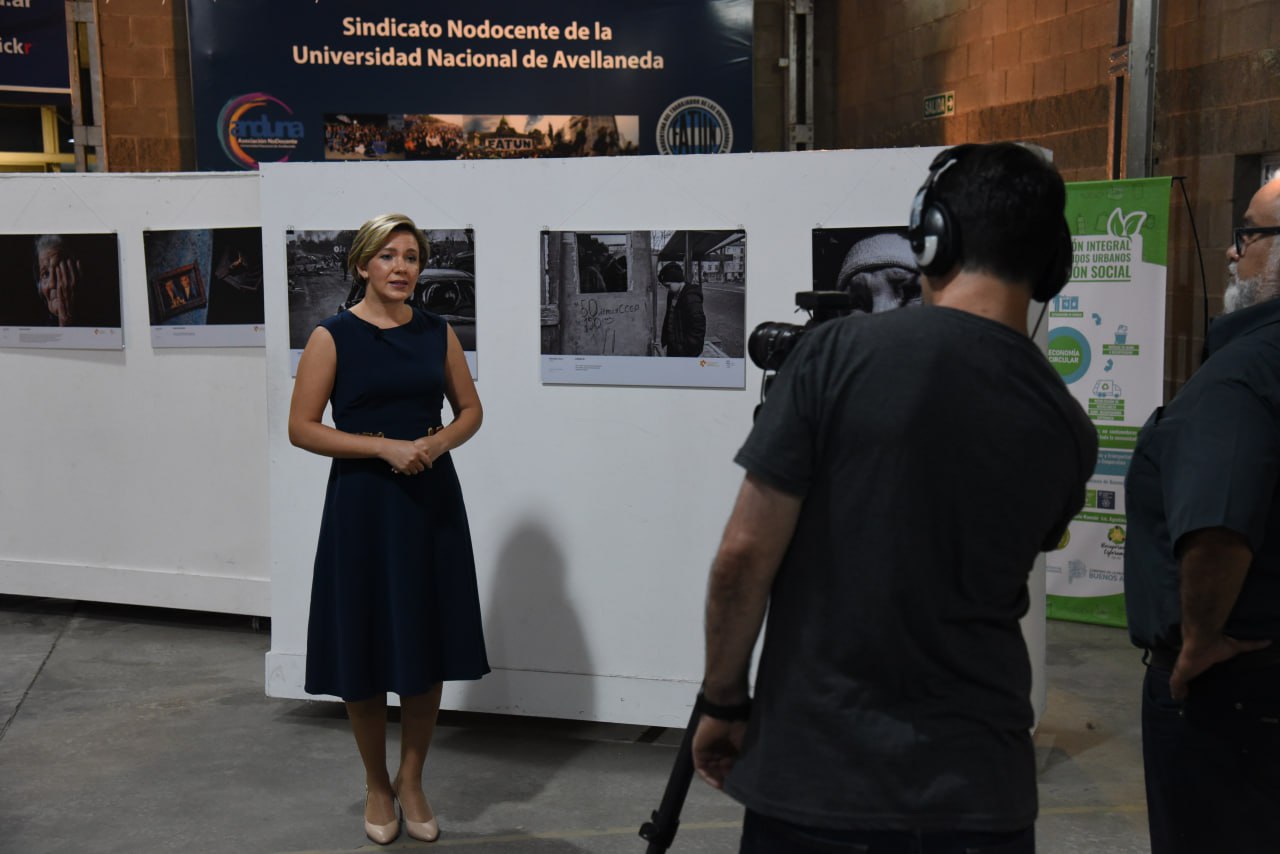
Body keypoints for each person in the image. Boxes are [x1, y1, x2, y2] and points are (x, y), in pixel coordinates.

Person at [691, 142, 1097, 853]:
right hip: (980, 795)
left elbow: (743, 555)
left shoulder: (834, 356)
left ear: (932, 238)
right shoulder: (1068, 427)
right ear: (1050, 264)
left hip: (818, 782)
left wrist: (723, 698)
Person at [288, 212, 489, 846]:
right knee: (368, 642)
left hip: (429, 500)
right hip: (364, 506)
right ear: (363, 265)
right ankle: (376, 784)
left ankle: (413, 780)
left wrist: (434, 444)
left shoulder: (438, 333)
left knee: (425, 647)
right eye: (389, 256)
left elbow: (471, 410)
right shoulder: (333, 336)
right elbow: (302, 427)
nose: (402, 267)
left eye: (411, 257)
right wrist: (382, 450)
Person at [1123, 175, 1280, 854]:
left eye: (1247, 234)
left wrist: (1200, 638)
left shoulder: (1242, 374)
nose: (1231, 253)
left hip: (1230, 695)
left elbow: (1216, 524)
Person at [658, 261, 706, 357]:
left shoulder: (691, 297)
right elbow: (669, 318)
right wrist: (666, 342)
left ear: (677, 279)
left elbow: (698, 329)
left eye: (668, 285)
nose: (667, 289)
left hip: (685, 352)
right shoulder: (671, 294)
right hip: (673, 347)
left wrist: (686, 349)